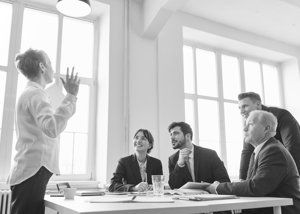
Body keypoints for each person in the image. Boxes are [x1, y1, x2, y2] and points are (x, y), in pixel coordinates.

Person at [8, 48, 80, 214]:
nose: (52, 68)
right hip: (33, 171)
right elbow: (51, 128)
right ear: (42, 66)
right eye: (50, 63)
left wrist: (68, 100)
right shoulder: (36, 94)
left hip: (29, 171)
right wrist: (70, 97)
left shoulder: (32, 93)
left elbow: (51, 125)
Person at [206, 110, 300, 214]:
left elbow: (257, 187)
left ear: (266, 128)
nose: (244, 129)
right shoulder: (261, 151)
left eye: (250, 124)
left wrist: (218, 188)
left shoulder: (273, 151)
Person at [238, 92, 300, 180]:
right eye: (239, 108)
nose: (241, 111)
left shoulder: (281, 115)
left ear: (258, 104)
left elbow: (292, 145)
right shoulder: (249, 123)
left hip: (290, 172)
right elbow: (247, 152)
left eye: (245, 106)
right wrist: (243, 180)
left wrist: (291, 178)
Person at [168, 122, 230, 190]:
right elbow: (173, 187)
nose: (171, 137)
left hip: (209, 198)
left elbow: (225, 181)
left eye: (175, 133)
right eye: (171, 134)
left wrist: (211, 186)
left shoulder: (210, 155)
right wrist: (180, 164)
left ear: (187, 136)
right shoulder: (172, 160)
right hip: (186, 199)